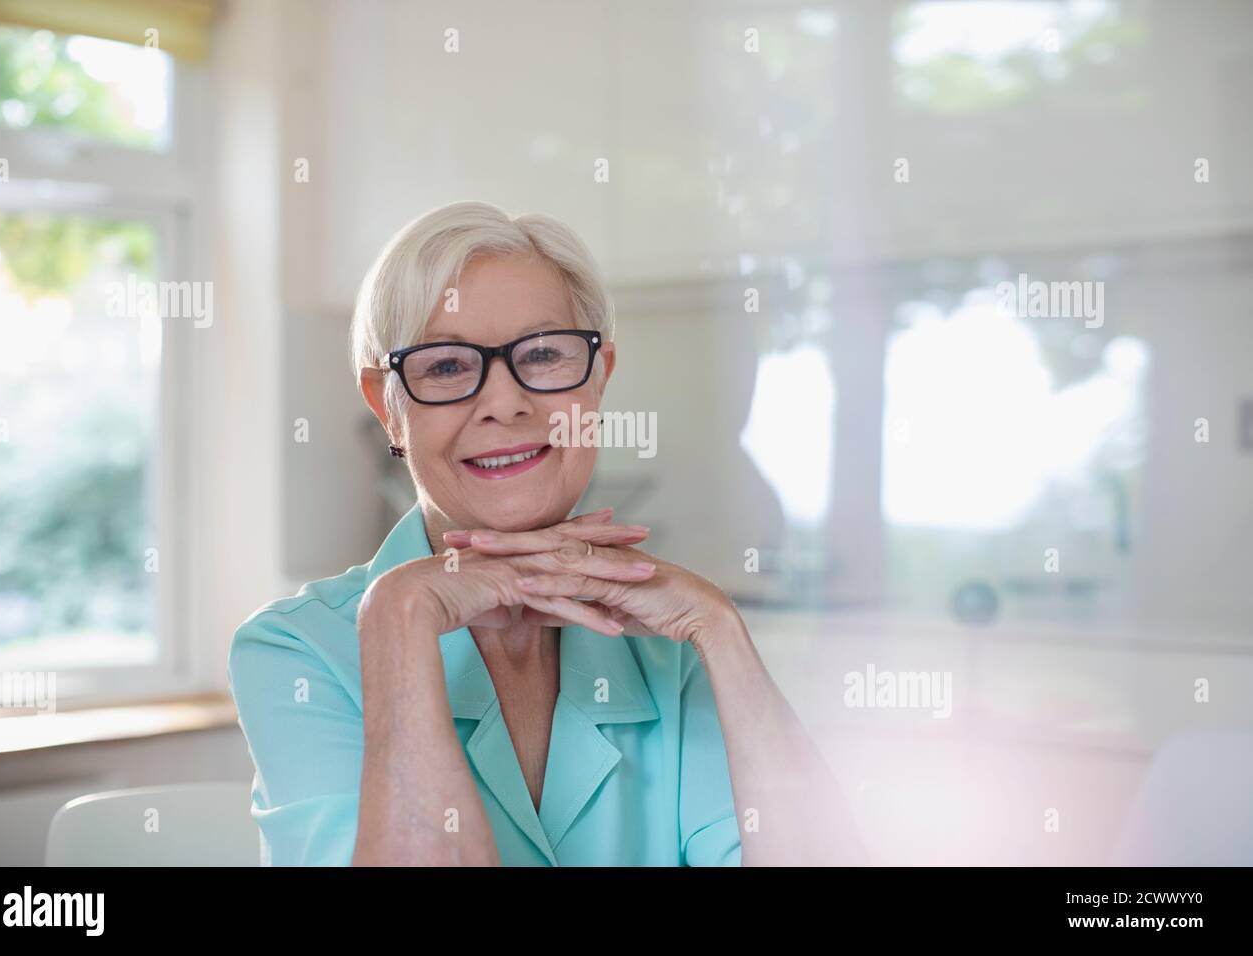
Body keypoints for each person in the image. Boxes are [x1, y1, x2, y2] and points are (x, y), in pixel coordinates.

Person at [228, 200, 865, 866]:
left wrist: (721, 627)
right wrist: (399, 615)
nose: (505, 402)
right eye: (445, 366)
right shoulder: (295, 652)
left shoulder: (673, 655)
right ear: (386, 407)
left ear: (598, 379)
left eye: (543, 355)